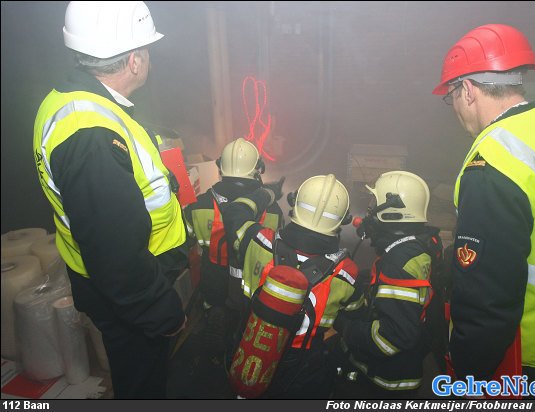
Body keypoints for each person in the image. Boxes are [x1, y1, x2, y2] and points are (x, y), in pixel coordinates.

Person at [33, 2, 189, 399]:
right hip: (133, 299)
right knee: (142, 385)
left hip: (112, 288)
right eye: (146, 49)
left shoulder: (72, 103)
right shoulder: (92, 137)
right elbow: (116, 255)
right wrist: (163, 312)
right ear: (134, 60)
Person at [432, 23, 535, 394]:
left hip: (533, 366)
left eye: (451, 96)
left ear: (468, 90)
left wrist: (466, 376)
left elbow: (485, 304)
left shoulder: (494, 166)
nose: (454, 108)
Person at [221, 174, 365, 398]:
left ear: (294, 204)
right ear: (343, 220)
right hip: (303, 376)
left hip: (250, 353)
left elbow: (234, 211)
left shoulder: (258, 241)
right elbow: (355, 319)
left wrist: (267, 193)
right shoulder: (347, 273)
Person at [333, 171, 443, 399]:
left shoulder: (397, 262)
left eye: (375, 205)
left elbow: (390, 338)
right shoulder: (420, 244)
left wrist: (344, 326)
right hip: (408, 366)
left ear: (393, 212)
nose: (370, 213)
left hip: (384, 381)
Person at [184, 137, 283, 354]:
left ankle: (214, 325)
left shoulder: (198, 206)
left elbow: (184, 243)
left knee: (214, 314)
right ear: (258, 169)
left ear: (220, 167)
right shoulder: (272, 210)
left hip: (213, 285)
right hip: (250, 289)